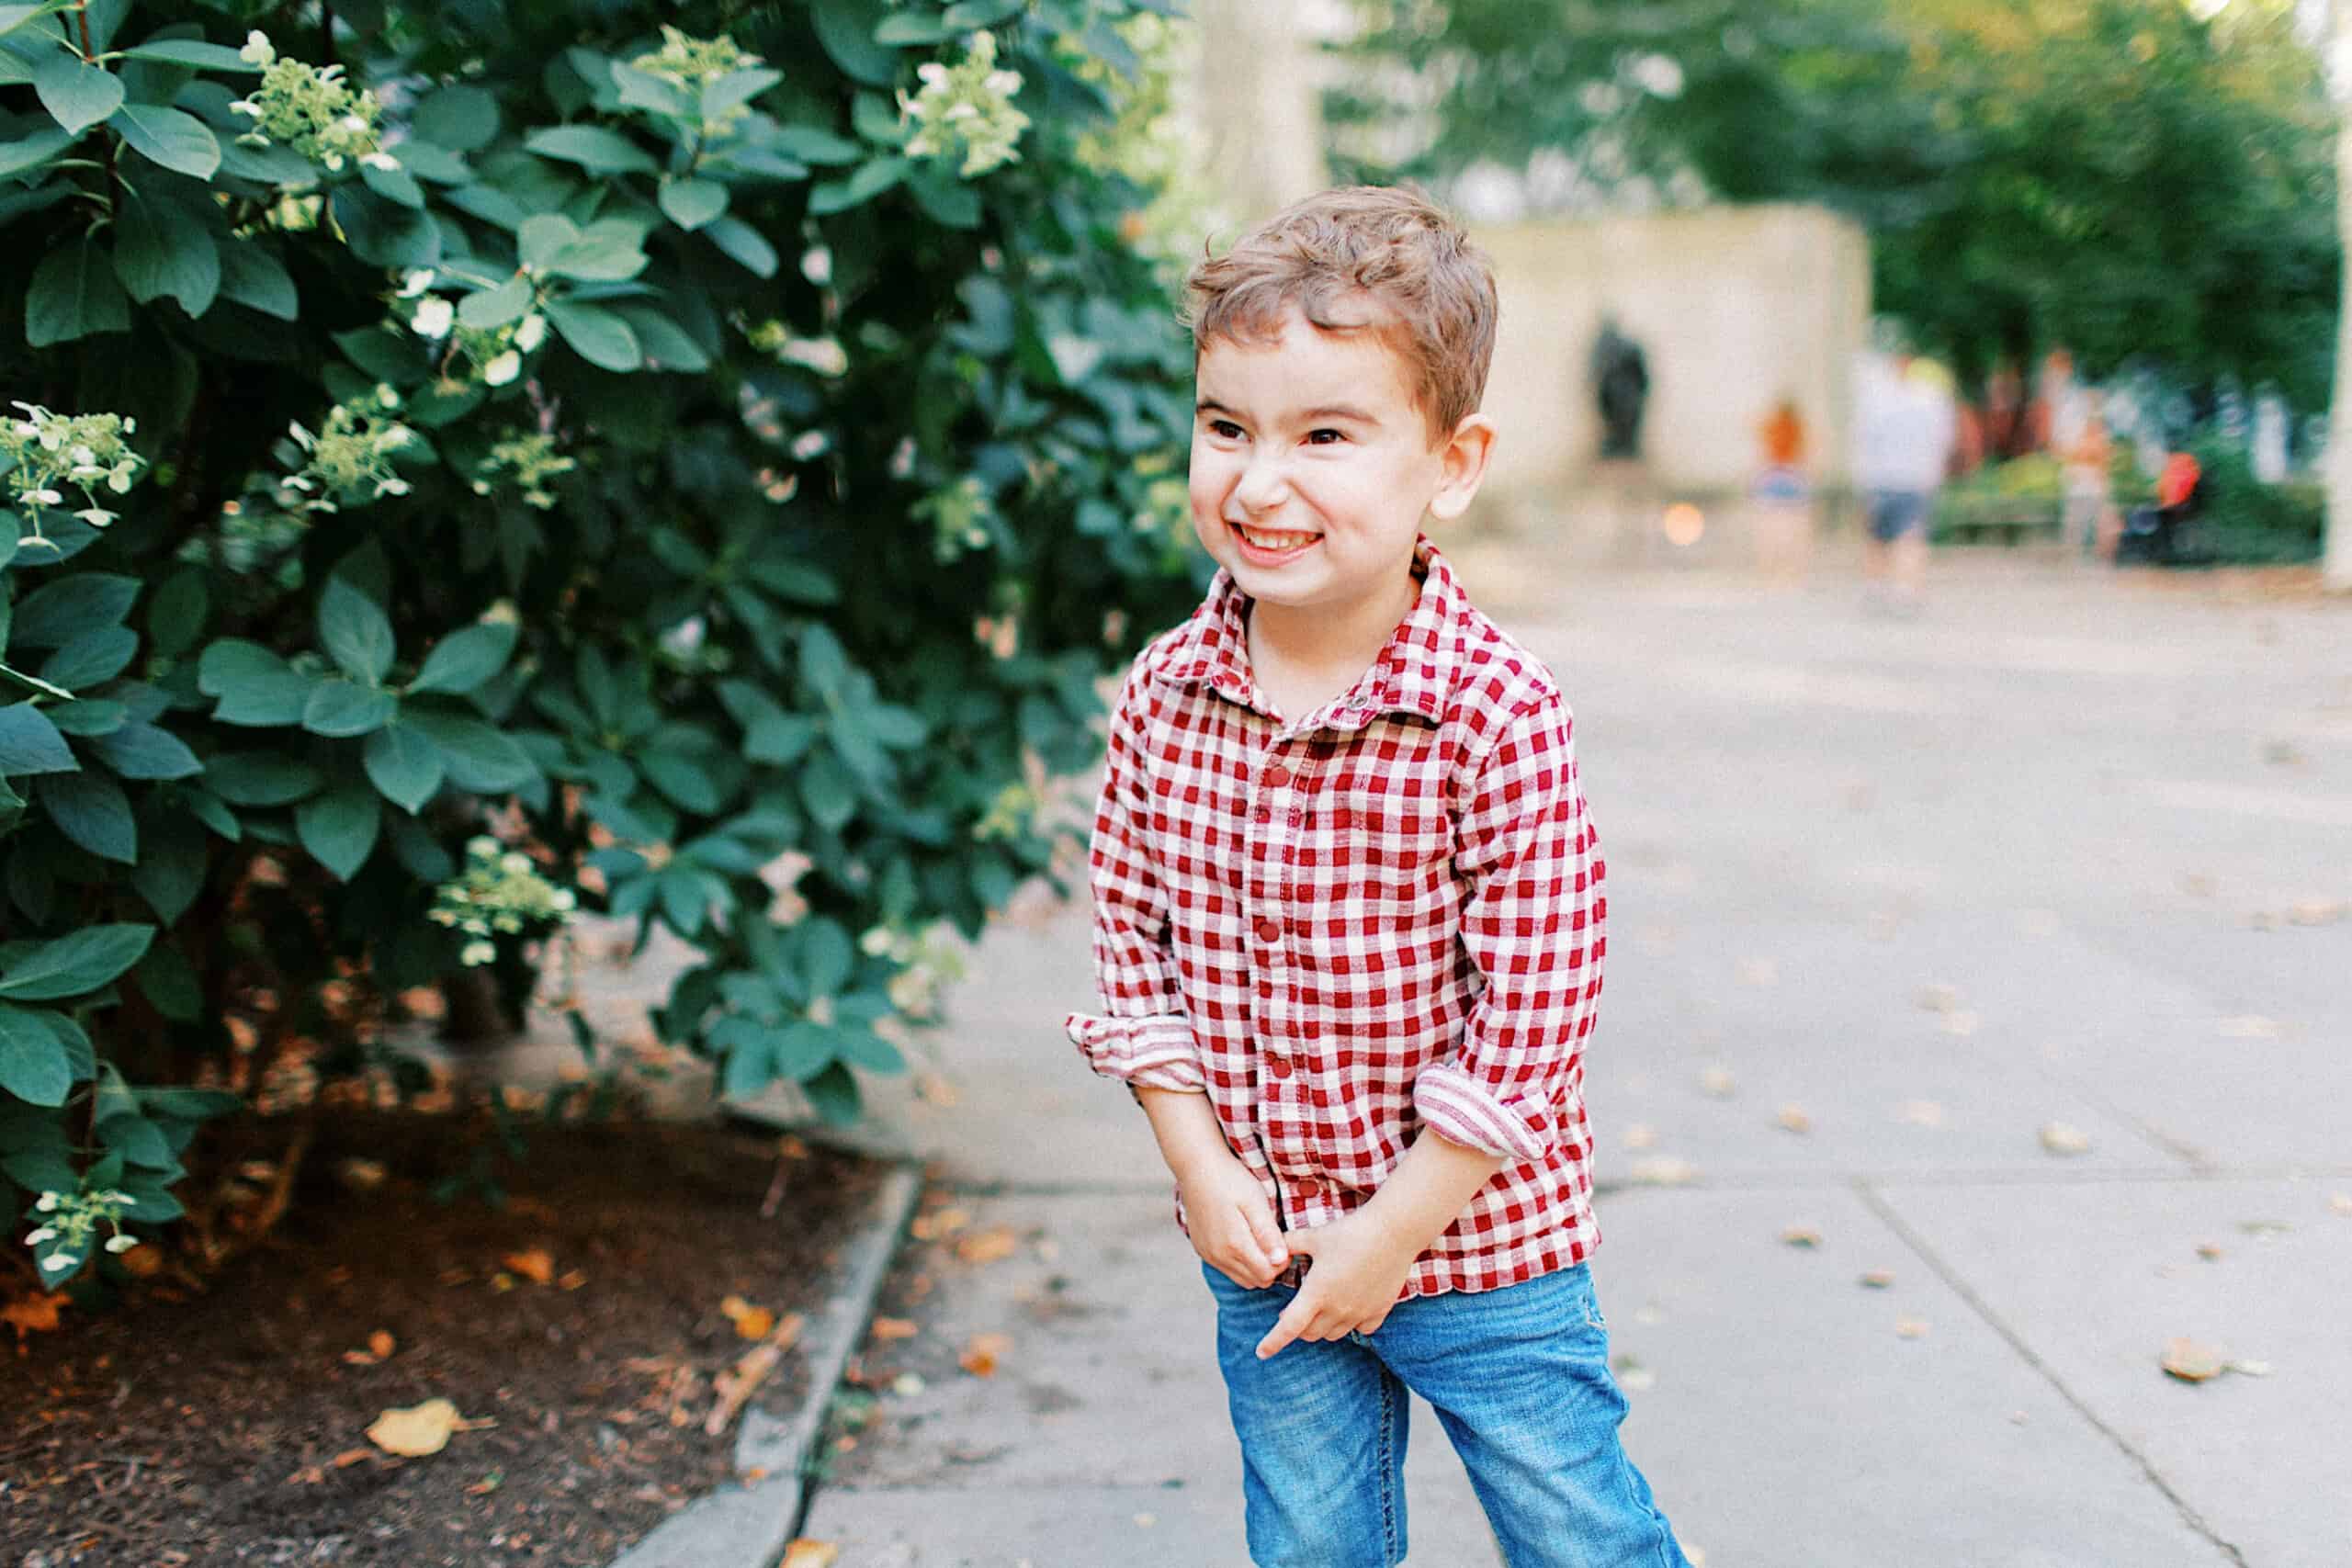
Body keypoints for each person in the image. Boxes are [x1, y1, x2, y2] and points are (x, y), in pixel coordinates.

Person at [1064, 186, 1690, 1568]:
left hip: (1478, 1248)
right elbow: (1133, 946)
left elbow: (1533, 1019)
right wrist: (1198, 1157)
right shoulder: (1167, 694)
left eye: (1325, 435)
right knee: (1310, 1542)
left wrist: (1393, 1231)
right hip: (1267, 1240)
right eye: (1227, 426)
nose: (1260, 479)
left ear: (1450, 463)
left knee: (1578, 1527)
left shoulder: (1494, 713)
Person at [1852, 345, 1955, 615]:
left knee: (1877, 537)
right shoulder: (1931, 398)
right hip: (1916, 477)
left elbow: (1864, 438)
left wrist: (1862, 477)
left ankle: (1875, 586)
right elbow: (1943, 437)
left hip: (1881, 478)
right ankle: (1906, 589)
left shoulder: (1876, 398)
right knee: (1910, 537)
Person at [1751, 394, 1813, 581]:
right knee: (1796, 525)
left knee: (1768, 525)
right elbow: (1807, 452)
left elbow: (1761, 451)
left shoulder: (1772, 427)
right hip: (1793, 474)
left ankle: (1769, 567)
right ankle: (1794, 569)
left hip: (1772, 474)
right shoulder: (1797, 428)